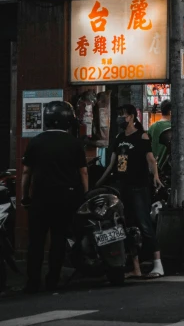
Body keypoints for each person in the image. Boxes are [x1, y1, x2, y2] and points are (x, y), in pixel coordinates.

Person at [22, 101, 88, 293]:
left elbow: (26, 173)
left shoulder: (35, 142)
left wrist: (25, 196)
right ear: (68, 121)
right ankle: (53, 280)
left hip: (40, 199)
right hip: (66, 199)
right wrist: (85, 195)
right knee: (58, 240)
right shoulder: (74, 144)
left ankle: (33, 282)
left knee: (36, 241)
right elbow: (83, 173)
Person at [97, 105, 164, 278]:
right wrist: (98, 183)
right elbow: (112, 163)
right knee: (127, 226)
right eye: (119, 115)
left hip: (139, 187)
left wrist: (155, 176)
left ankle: (158, 264)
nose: (121, 119)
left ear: (132, 117)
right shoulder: (119, 137)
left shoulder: (141, 136)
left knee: (144, 224)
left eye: (124, 115)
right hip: (123, 187)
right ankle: (136, 267)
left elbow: (150, 159)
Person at [148, 100, 171, 173]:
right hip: (168, 169)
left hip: (154, 168)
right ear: (171, 111)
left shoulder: (152, 127)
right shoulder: (174, 128)